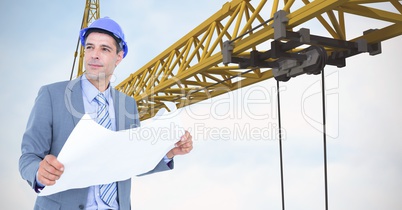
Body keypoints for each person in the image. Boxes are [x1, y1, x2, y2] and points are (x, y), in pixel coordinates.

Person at [19, 17, 193, 210]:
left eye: (104, 49)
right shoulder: (52, 95)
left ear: (119, 57)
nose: (94, 55)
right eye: (90, 47)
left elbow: (133, 161)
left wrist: (168, 152)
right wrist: (38, 172)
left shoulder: (128, 104)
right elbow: (29, 156)